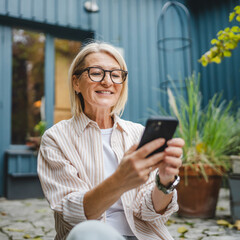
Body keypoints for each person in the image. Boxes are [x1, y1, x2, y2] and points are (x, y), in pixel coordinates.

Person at [37, 41, 184, 240]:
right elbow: (74, 215)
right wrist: (121, 179)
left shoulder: (137, 134)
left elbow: (150, 213)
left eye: (116, 75)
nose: (107, 82)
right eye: (96, 73)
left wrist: (165, 181)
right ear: (76, 83)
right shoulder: (56, 139)